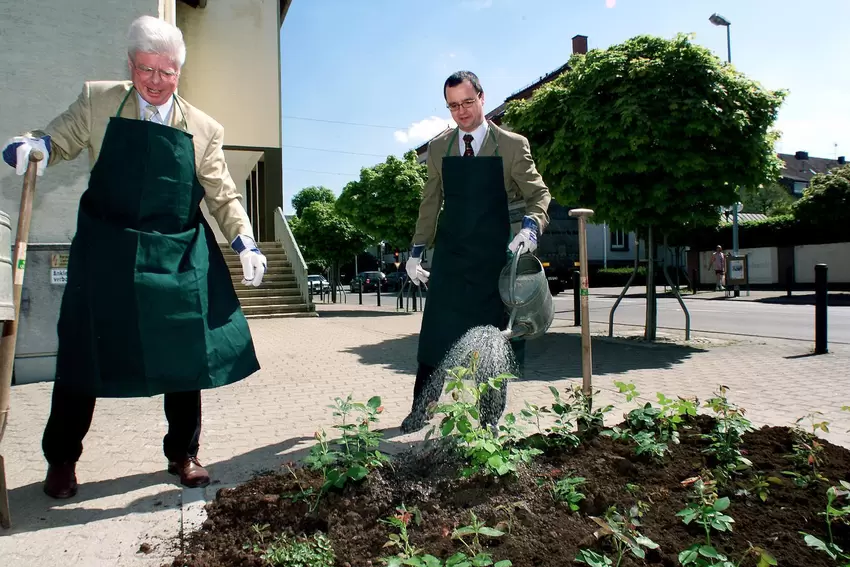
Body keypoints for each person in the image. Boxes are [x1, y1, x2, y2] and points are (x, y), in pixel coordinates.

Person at [1, 16, 267, 498]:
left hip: (174, 254)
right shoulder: (97, 99)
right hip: (108, 250)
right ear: (131, 64)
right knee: (84, 350)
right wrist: (37, 144)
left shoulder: (203, 127)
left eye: (167, 72)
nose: (156, 81)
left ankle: (182, 453)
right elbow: (58, 137)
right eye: (147, 69)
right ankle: (61, 459)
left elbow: (222, 194)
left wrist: (243, 240)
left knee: (185, 354)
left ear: (179, 72)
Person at [401, 71, 551, 434]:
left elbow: (539, 195)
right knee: (436, 335)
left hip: (494, 258)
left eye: (467, 102)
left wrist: (531, 228)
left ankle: (489, 420)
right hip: (451, 259)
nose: (461, 112)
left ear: (482, 98)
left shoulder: (512, 145)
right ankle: (422, 408)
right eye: (453, 106)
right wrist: (417, 251)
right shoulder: (439, 149)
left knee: (492, 341)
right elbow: (430, 203)